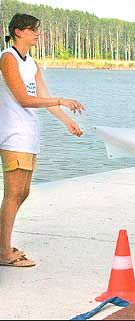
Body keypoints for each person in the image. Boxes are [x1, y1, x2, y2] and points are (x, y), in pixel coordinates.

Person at [0, 13, 85, 268]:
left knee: (22, 192)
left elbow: (42, 96)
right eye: (33, 29)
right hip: (13, 136)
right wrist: (60, 100)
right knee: (13, 193)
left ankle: (2, 244)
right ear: (18, 32)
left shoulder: (32, 63)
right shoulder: (8, 58)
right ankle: (4, 252)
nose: (37, 33)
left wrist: (66, 120)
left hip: (29, 136)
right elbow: (24, 98)